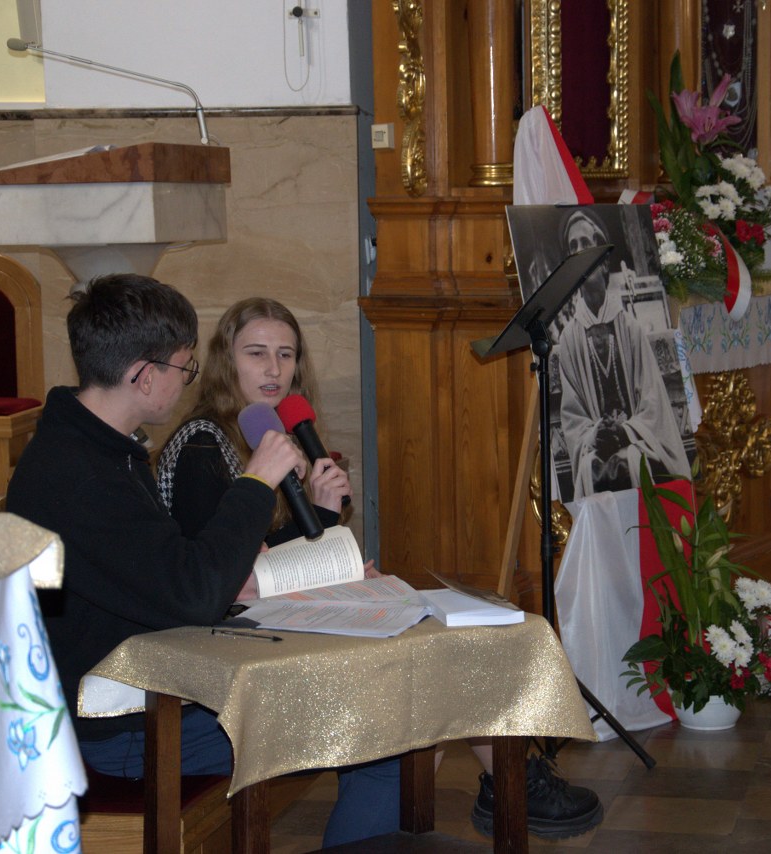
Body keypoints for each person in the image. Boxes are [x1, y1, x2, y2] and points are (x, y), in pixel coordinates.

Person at [157, 297, 604, 840]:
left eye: (286, 354)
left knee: (430, 646)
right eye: (256, 353)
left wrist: (322, 516)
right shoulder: (203, 445)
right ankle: (510, 779)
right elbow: (221, 573)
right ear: (226, 361)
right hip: (223, 653)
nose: (274, 369)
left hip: (270, 622)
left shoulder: (271, 434)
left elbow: (269, 554)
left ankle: (508, 776)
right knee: (406, 711)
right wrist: (322, 538)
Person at [6, 275, 399, 847]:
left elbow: (174, 574)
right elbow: (193, 593)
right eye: (183, 366)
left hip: (154, 684)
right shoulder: (82, 476)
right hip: (123, 726)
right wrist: (255, 483)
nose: (187, 379)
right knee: (386, 733)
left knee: (372, 702)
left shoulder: (98, 448)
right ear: (145, 376)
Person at [554, 208, 689, 499]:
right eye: (573, 246)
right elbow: (573, 418)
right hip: (594, 448)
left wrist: (625, 431)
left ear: (605, 261)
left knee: (632, 460)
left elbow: (653, 402)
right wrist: (595, 434)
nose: (579, 252)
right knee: (591, 468)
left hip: (636, 440)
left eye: (586, 243)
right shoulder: (569, 339)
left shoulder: (630, 327)